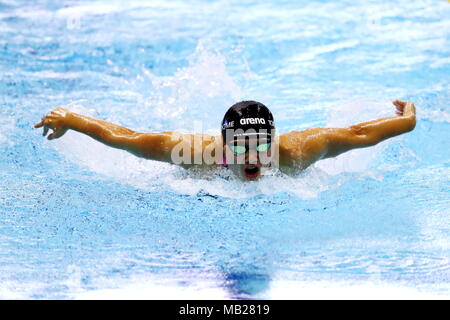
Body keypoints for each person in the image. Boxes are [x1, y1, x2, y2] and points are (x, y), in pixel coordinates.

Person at [34, 100, 416, 180]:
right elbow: (129, 137)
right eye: (239, 145)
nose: (251, 154)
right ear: (222, 143)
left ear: (274, 139)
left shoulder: (297, 151)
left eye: (260, 144)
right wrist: (72, 118)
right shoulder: (195, 153)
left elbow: (358, 133)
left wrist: (408, 121)